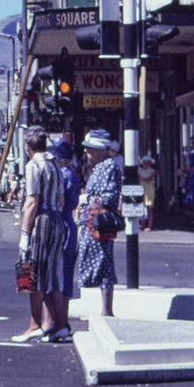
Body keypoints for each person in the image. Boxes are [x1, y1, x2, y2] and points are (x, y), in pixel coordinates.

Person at [12, 127, 69, 343]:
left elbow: (32, 201)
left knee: (30, 270)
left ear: (28, 147)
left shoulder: (33, 165)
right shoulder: (55, 165)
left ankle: (34, 324)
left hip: (41, 220)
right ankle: (61, 325)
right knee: (53, 274)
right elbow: (61, 200)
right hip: (57, 219)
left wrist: (25, 233)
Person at [78, 128, 123, 317]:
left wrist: (87, 199)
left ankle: (107, 309)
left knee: (104, 263)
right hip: (90, 223)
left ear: (98, 150)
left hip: (98, 223)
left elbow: (109, 197)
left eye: (89, 149)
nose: (86, 153)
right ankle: (105, 308)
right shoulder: (99, 168)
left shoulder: (108, 167)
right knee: (100, 262)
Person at [53, 137, 82, 303]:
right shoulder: (73, 176)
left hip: (62, 222)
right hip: (69, 223)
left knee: (60, 272)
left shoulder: (62, 177)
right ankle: (63, 315)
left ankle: (59, 317)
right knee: (67, 270)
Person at [137, 153, 157, 231]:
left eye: (147, 162)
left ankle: (149, 225)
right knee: (141, 207)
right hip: (141, 189)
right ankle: (142, 225)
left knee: (149, 208)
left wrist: (142, 180)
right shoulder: (139, 170)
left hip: (149, 190)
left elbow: (149, 179)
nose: (146, 164)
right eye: (144, 162)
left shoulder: (153, 170)